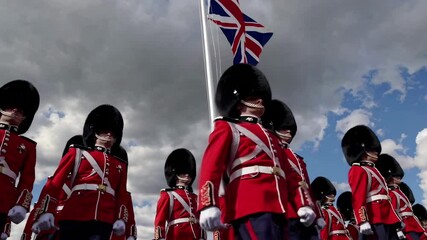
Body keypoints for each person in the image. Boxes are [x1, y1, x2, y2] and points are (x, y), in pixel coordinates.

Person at [197, 63, 302, 240]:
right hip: (250, 203)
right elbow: (211, 166)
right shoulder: (228, 127)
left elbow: (290, 175)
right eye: (254, 96)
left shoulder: (271, 137)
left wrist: (302, 204)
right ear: (238, 101)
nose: (260, 100)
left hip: (280, 206)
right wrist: (208, 203)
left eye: (261, 96)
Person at [31, 104, 129, 240]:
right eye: (105, 131)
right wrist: (47, 210)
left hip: (104, 217)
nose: (109, 135)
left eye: (113, 134)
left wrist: (121, 218)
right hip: (75, 213)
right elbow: (55, 184)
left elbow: (122, 194)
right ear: (95, 132)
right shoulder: (77, 153)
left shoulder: (120, 164)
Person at [262, 99, 324, 239]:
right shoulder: (273, 153)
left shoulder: (298, 159)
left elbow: (307, 190)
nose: (289, 132)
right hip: (288, 211)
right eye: (284, 128)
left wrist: (318, 214)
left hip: (308, 213)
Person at [342, 125, 401, 240]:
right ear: (362, 150)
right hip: (375, 215)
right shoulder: (358, 170)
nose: (376, 152)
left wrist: (397, 221)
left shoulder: (375, 171)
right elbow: (358, 197)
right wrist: (362, 220)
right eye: (371, 149)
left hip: (386, 214)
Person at [0, 80, 40, 237]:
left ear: (24, 117)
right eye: (11, 106)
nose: (16, 110)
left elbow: (27, 179)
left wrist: (22, 204)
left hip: (3, 201)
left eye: (21, 110)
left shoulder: (28, 146)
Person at [154, 148, 204, 240]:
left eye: (189, 172)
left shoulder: (196, 198)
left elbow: (201, 219)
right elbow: (159, 220)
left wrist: (202, 237)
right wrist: (160, 237)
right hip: (176, 236)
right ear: (175, 171)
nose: (187, 175)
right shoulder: (168, 195)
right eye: (184, 171)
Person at [376, 154, 426, 239]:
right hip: (406, 226)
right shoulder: (391, 193)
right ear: (390, 177)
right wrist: (398, 228)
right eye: (396, 176)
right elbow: (394, 210)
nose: (399, 178)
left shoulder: (398, 191)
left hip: (412, 224)